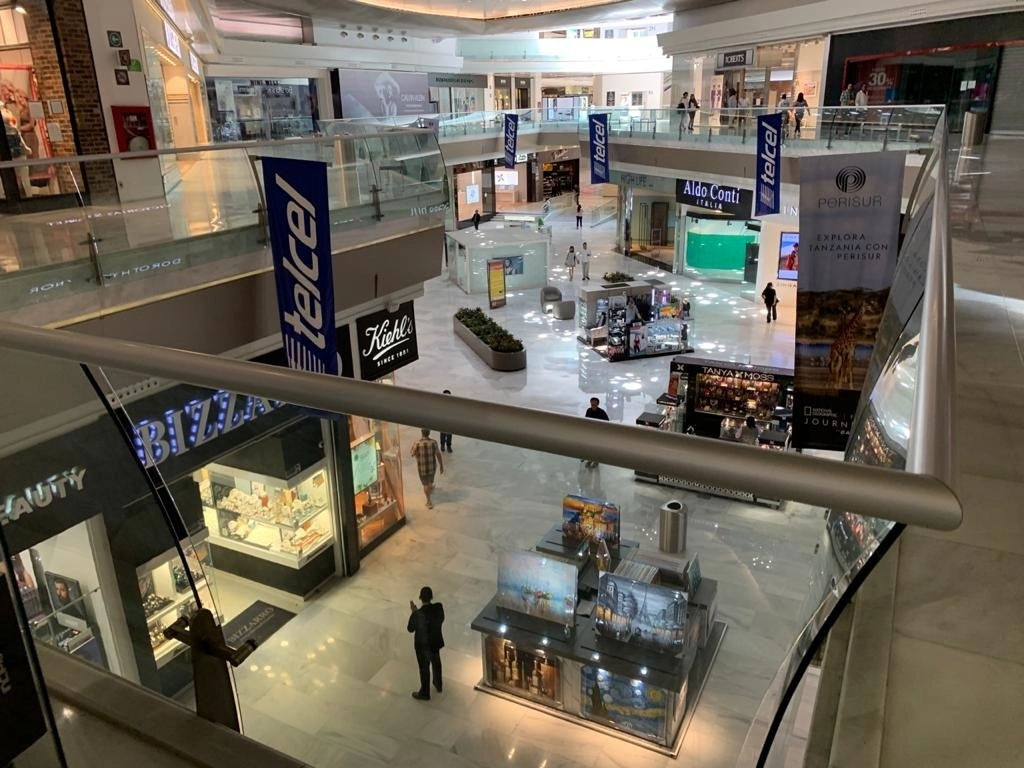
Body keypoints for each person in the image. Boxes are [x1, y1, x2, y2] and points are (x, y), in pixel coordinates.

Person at [408, 586, 445, 701]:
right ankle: (438, 684)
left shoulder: (418, 614)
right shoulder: (439, 608)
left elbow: (410, 629)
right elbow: (440, 619)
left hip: (422, 646)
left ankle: (425, 692)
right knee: (436, 662)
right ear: (431, 597)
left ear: (420, 598)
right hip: (435, 642)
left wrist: (414, 612)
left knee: (424, 668)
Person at [410, 429, 444, 508]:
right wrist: (441, 465)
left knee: (425, 484)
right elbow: (438, 454)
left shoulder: (417, 443)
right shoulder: (433, 442)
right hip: (432, 467)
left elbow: (412, 453)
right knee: (430, 479)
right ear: (429, 433)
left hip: (422, 468)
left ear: (421, 433)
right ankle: (430, 486)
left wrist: (418, 455)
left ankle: (429, 501)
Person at [583, 397, 610, 468]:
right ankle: (590, 459)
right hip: (590, 432)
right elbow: (586, 420)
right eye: (592, 403)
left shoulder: (602, 412)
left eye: (594, 403)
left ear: (597, 404)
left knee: (597, 447)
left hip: (598, 433)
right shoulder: (588, 410)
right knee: (590, 447)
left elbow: (607, 421)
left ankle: (596, 461)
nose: (593, 404)